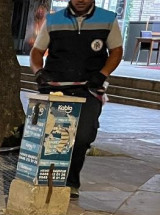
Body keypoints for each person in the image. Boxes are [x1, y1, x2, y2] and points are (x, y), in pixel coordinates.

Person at [30, 0, 122, 199]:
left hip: (89, 88)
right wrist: (39, 72)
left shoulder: (108, 20)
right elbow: (37, 51)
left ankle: (71, 182)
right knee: (50, 136)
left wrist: (103, 74)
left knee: (82, 137)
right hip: (56, 88)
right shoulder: (53, 20)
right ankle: (46, 179)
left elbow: (116, 51)